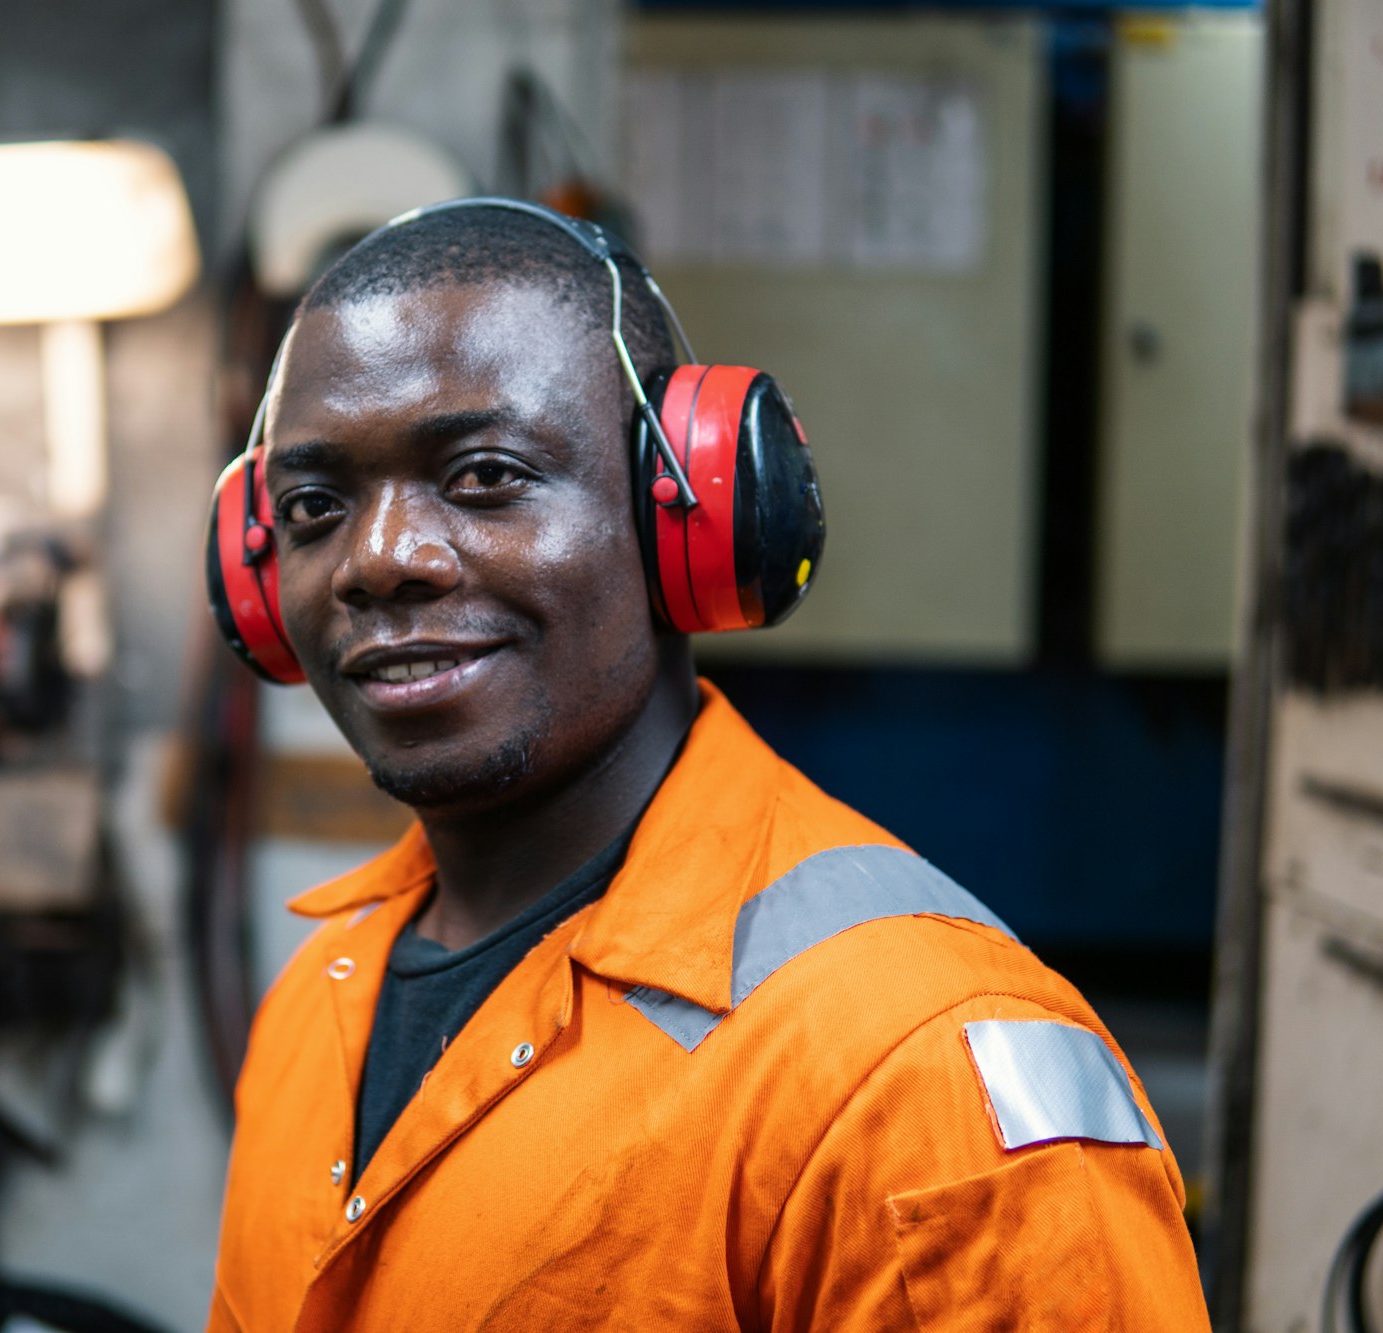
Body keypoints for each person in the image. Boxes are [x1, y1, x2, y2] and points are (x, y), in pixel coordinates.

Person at [202, 199, 1210, 1331]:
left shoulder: (912, 1073)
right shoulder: (313, 1003)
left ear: (686, 512)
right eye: (312, 506)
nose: (377, 560)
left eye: (484, 475)